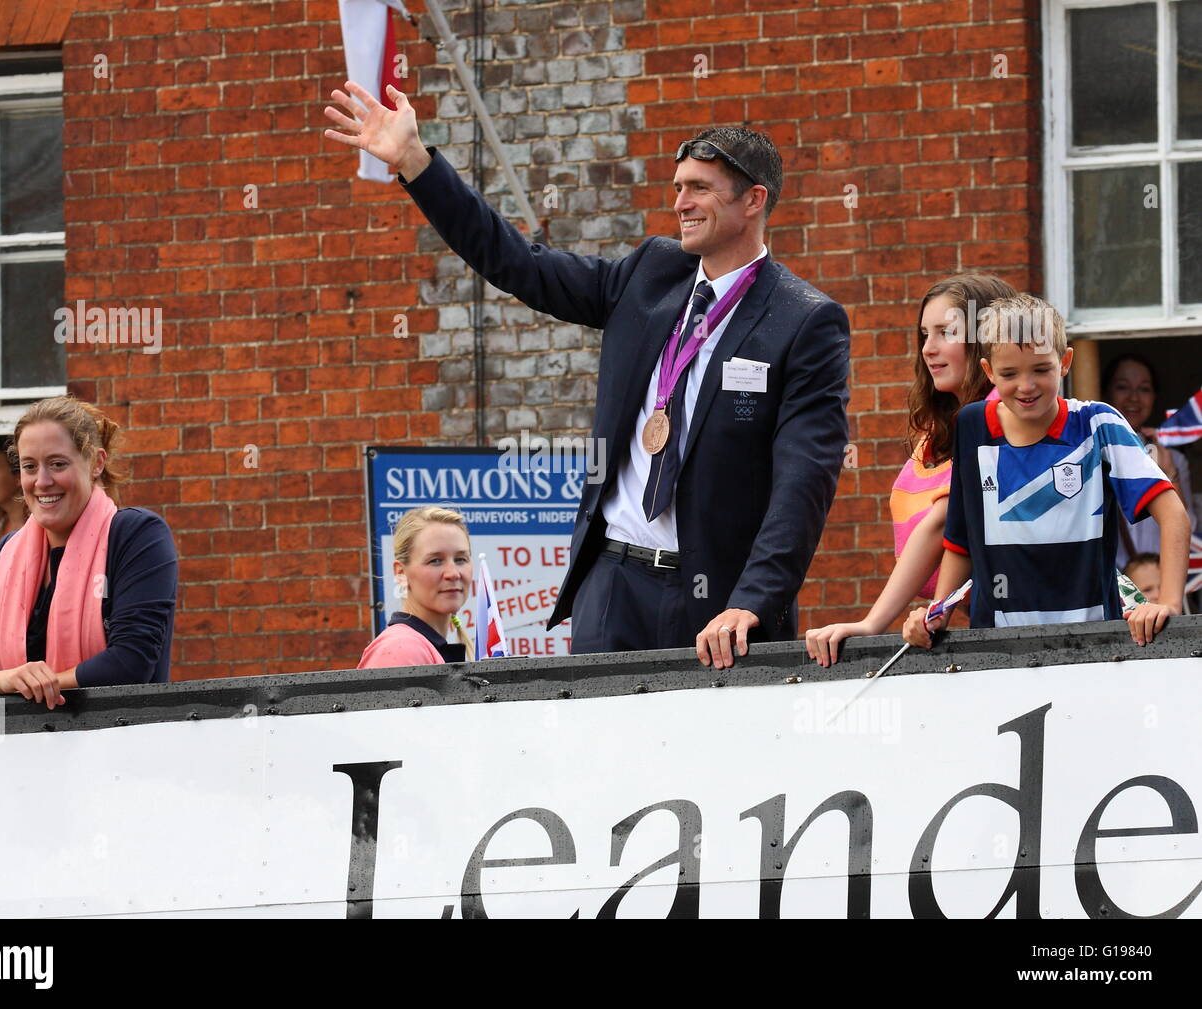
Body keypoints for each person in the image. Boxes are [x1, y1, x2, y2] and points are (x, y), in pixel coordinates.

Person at [325, 83, 850, 670]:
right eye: (677, 187)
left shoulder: (804, 320)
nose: (680, 202)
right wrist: (418, 164)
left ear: (754, 201)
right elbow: (519, 263)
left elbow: (803, 482)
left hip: (716, 605)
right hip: (611, 587)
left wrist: (753, 601)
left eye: (699, 188)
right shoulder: (650, 275)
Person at [902, 294, 1188, 650]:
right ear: (989, 371)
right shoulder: (971, 426)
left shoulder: (1098, 423)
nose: (1026, 386)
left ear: (1064, 361)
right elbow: (962, 541)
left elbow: (1174, 514)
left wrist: (1170, 603)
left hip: (1097, 643)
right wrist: (939, 610)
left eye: (1041, 369)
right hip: (998, 648)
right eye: (1009, 373)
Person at [805, 273, 1017, 667]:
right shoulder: (935, 433)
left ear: (987, 341)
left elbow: (942, 524)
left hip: (1026, 627)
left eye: (945, 332)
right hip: (982, 626)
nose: (929, 349)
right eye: (924, 334)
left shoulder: (1003, 415)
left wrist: (873, 623)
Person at [0, 397, 178, 706]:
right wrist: (6, 678)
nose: (42, 482)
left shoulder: (138, 535)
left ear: (96, 462)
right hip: (25, 751)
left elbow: (131, 662)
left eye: (58, 464)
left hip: (120, 745)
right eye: (29, 467)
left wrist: (35, 685)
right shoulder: (6, 554)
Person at [1102, 353, 1197, 567]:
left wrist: (1169, 473)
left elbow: (1188, 526)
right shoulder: (1091, 451)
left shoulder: (1173, 459)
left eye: (1144, 389)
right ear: (1106, 392)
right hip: (1110, 582)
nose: (1134, 398)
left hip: (1160, 579)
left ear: (1154, 396)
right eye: (1122, 387)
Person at [359, 506, 474, 668]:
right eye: (435, 561)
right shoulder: (402, 649)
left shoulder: (420, 646)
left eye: (461, 559)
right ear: (400, 573)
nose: (453, 573)